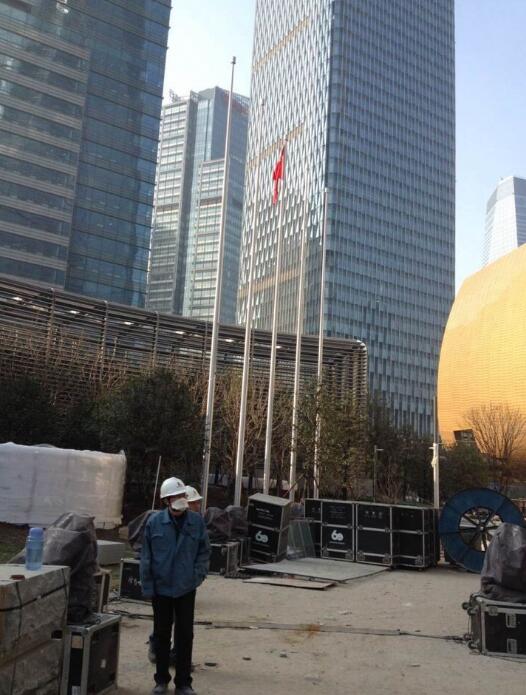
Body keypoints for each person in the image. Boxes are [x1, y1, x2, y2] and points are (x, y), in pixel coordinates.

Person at [141, 476, 210, 695]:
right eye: (175, 496)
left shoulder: (196, 522)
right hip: (161, 589)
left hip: (185, 588)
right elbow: (146, 557)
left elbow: (204, 552)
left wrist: (197, 576)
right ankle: (161, 680)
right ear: (166, 500)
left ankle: (184, 683)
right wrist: (148, 587)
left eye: (182, 495)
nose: (180, 499)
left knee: (185, 636)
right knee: (161, 635)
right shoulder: (154, 523)